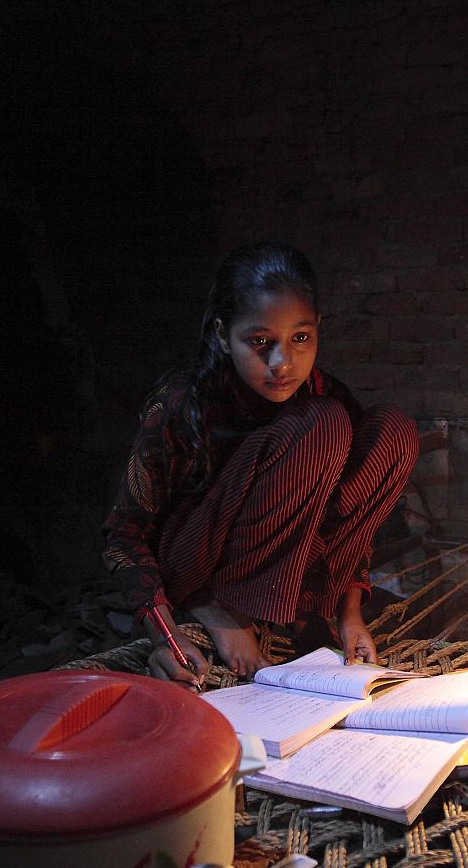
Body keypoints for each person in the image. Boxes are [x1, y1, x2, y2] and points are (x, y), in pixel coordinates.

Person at [101, 243, 418, 687]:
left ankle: (303, 605)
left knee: (393, 429)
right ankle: (225, 606)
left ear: (318, 329)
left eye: (300, 338)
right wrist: (166, 636)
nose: (282, 363)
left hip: (296, 568)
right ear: (220, 334)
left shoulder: (325, 390)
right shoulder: (181, 402)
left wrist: (351, 615)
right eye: (259, 342)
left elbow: (355, 521)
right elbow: (123, 535)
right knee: (322, 424)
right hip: (196, 562)